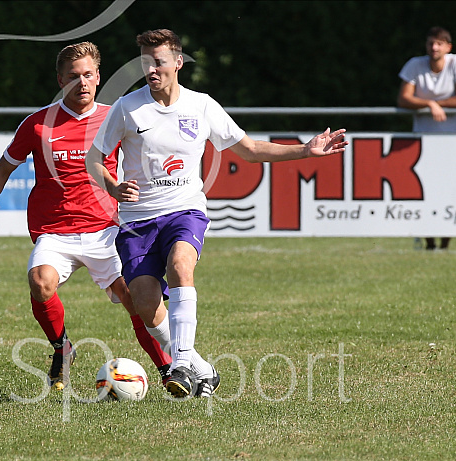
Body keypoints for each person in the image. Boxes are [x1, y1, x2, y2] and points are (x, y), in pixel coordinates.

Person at [86, 29, 348, 399]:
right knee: (145, 304)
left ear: (178, 63)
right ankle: (199, 365)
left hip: (184, 210)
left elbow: (251, 149)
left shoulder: (202, 105)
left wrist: (304, 151)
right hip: (137, 219)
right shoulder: (127, 108)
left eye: (158, 61)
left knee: (180, 265)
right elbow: (93, 158)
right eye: (145, 62)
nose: (151, 69)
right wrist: (112, 186)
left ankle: (179, 362)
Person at [0, 41, 171, 391]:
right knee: (40, 282)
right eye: (73, 77)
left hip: (106, 230)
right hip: (55, 232)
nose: (81, 83)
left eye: (87, 75)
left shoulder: (118, 116)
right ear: (60, 79)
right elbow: (2, 170)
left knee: (136, 298)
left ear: (98, 77)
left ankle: (169, 370)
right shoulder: (38, 125)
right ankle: (62, 348)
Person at [397, 26, 456, 251]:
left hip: (454, 141)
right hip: (422, 142)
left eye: (439, 43)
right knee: (424, 192)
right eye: (431, 43)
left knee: (451, 191)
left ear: (448, 47)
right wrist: (430, 104)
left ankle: (445, 243)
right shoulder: (415, 64)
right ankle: (430, 243)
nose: (434, 47)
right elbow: (403, 99)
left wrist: (431, 103)